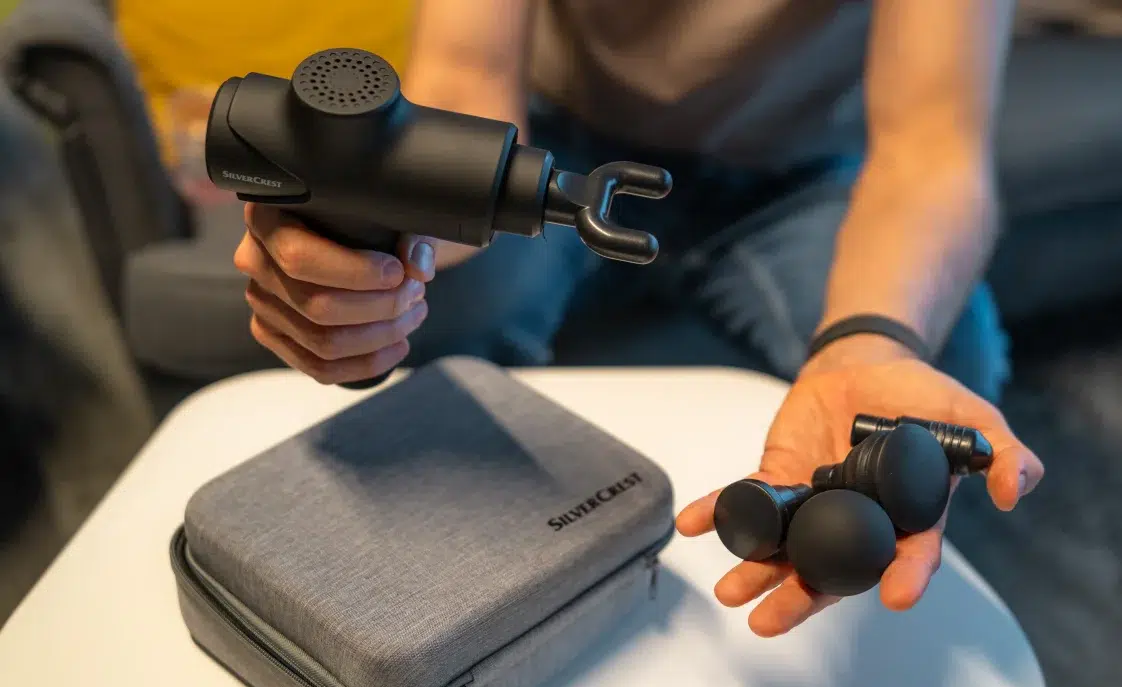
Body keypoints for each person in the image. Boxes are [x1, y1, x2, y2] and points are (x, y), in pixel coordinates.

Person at [231, 0, 1045, 636]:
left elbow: (932, 152)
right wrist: (374, 239)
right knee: (427, 313)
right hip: (561, 145)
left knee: (944, 365)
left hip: (798, 170)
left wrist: (870, 340)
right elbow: (463, 77)